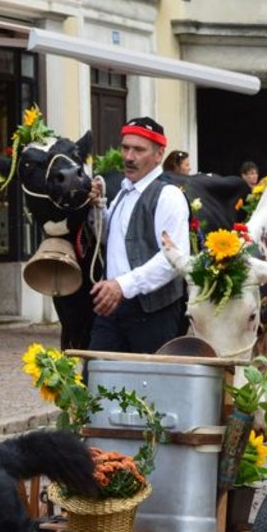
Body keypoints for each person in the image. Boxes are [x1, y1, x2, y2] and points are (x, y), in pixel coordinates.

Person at [87, 116, 190, 354]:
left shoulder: (169, 196)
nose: (129, 157)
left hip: (152, 314)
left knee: (149, 388)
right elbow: (112, 241)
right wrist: (97, 207)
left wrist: (122, 286)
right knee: (95, 382)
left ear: (159, 154)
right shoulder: (124, 192)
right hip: (111, 309)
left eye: (138, 150)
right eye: (125, 148)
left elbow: (173, 260)